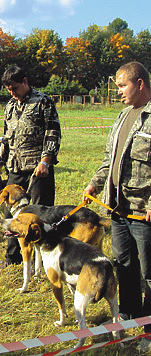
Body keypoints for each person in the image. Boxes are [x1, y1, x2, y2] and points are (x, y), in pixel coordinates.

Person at [82, 61, 151, 353]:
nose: (118, 91)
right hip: (118, 209)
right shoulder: (123, 116)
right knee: (124, 265)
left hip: (143, 209)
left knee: (150, 271)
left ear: (140, 84)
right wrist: (96, 183)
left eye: (122, 86)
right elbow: (111, 158)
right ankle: (129, 313)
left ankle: (149, 327)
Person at [0, 66, 61, 266]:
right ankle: (12, 257)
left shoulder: (44, 102)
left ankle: (46, 259)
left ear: (25, 81)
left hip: (38, 170)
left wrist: (45, 160)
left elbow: (53, 133)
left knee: (38, 216)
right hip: (15, 168)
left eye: (14, 88)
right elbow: (6, 138)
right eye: (8, 89)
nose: (12, 92)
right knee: (11, 216)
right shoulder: (10, 106)